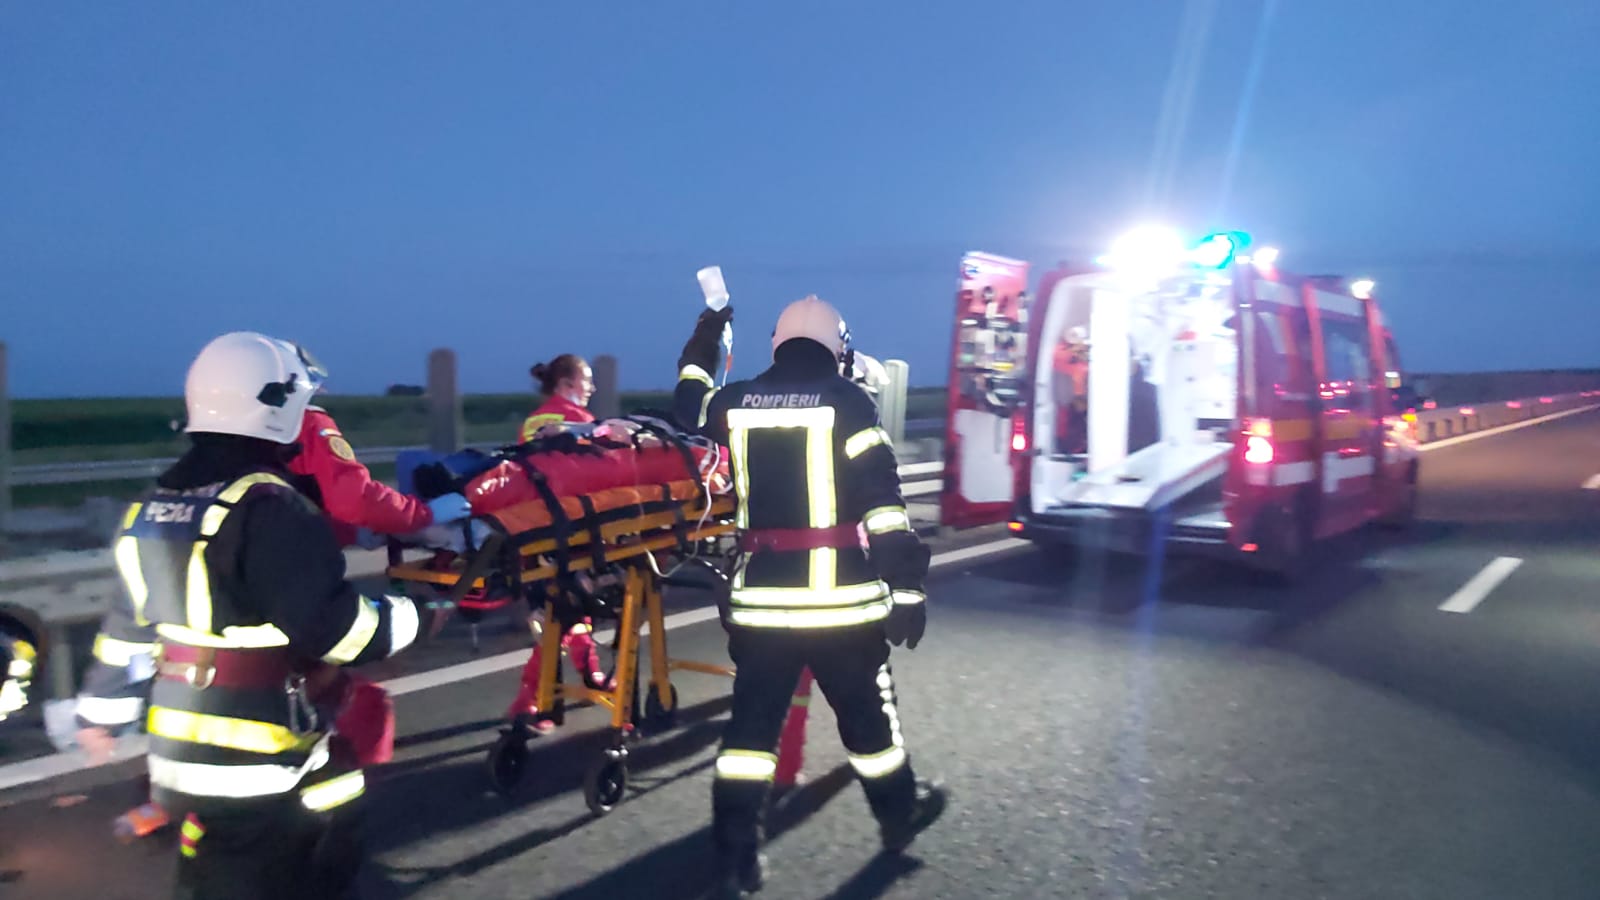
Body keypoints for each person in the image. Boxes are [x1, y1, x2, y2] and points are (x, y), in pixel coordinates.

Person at [74, 331, 424, 899]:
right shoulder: (271, 507)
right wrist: (412, 613)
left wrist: (100, 715)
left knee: (221, 865)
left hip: (175, 757)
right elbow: (340, 632)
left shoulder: (151, 507)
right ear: (277, 407)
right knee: (317, 836)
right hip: (260, 762)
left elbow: (126, 630)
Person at [674, 297, 946, 896]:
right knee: (868, 724)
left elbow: (687, 408)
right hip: (841, 605)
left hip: (761, 605)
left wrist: (706, 339)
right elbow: (883, 504)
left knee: (749, 736)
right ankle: (900, 814)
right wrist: (906, 587)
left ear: (778, 343)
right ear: (837, 347)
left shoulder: (734, 401)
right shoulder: (849, 402)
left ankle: (735, 857)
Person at [506, 353, 612, 732]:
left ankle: (590, 673)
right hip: (569, 529)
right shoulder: (579, 422)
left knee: (570, 610)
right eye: (587, 381)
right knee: (562, 614)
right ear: (567, 384)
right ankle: (530, 699)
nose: (592, 387)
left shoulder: (535, 420)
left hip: (536, 528)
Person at [519, 353, 596, 441]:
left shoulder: (529, 422)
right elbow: (596, 448)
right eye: (587, 381)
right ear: (565, 383)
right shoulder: (580, 418)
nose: (592, 389)